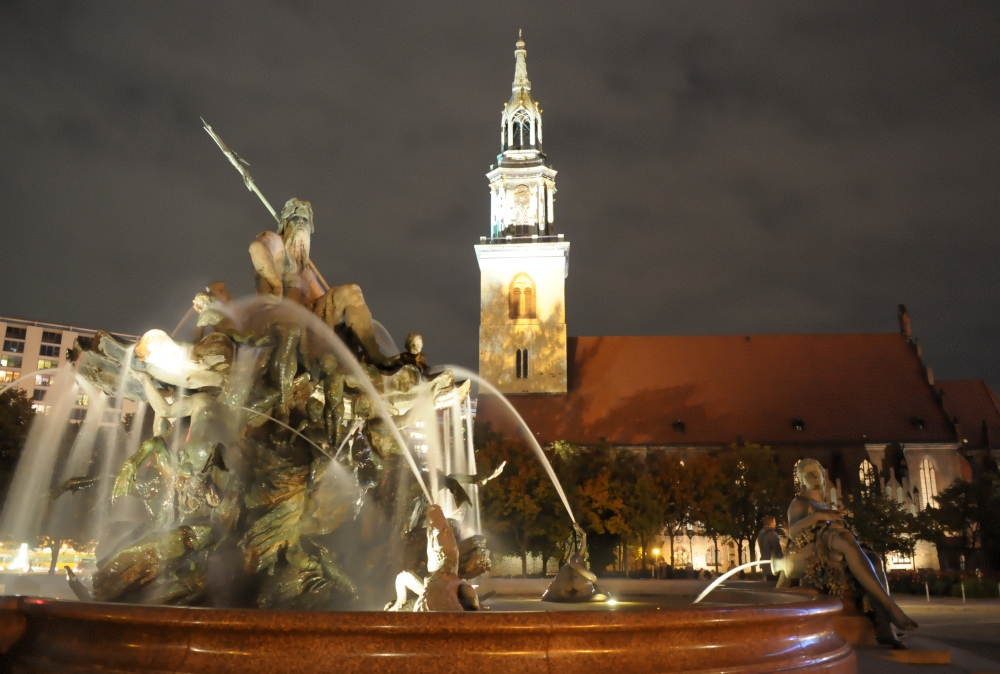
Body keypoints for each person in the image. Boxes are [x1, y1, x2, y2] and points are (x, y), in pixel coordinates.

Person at [249, 198, 396, 367]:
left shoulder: (305, 269)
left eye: (305, 221)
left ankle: (375, 355)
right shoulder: (276, 242)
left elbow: (319, 300)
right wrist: (275, 283)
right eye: (296, 219)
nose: (301, 224)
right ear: (284, 223)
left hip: (306, 316)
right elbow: (257, 248)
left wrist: (337, 300)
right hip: (281, 317)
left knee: (351, 292)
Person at [787, 458, 917, 642]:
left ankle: (885, 628)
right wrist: (819, 516)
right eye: (808, 474)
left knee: (874, 560)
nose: (814, 476)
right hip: (816, 548)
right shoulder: (800, 502)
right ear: (801, 479)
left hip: (834, 542)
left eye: (816, 473)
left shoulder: (824, 504)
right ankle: (891, 607)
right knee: (846, 539)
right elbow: (793, 532)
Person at [756, 516, 784, 581]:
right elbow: (777, 551)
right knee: (774, 584)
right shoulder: (772, 534)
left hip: (765, 565)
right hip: (773, 566)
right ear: (771, 523)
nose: (775, 523)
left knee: (768, 584)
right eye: (774, 522)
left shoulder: (761, 533)